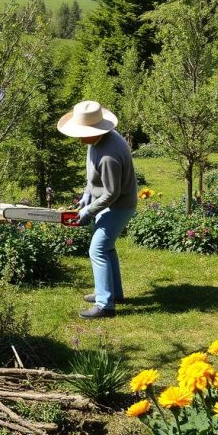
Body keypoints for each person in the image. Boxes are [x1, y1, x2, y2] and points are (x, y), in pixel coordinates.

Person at [58, 100, 137, 319]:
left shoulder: (109, 155)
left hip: (119, 206)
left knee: (98, 249)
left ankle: (105, 306)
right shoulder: (98, 141)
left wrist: (88, 211)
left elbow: (112, 193)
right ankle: (114, 294)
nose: (79, 138)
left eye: (82, 133)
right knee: (107, 247)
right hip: (107, 203)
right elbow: (93, 178)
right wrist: (86, 195)